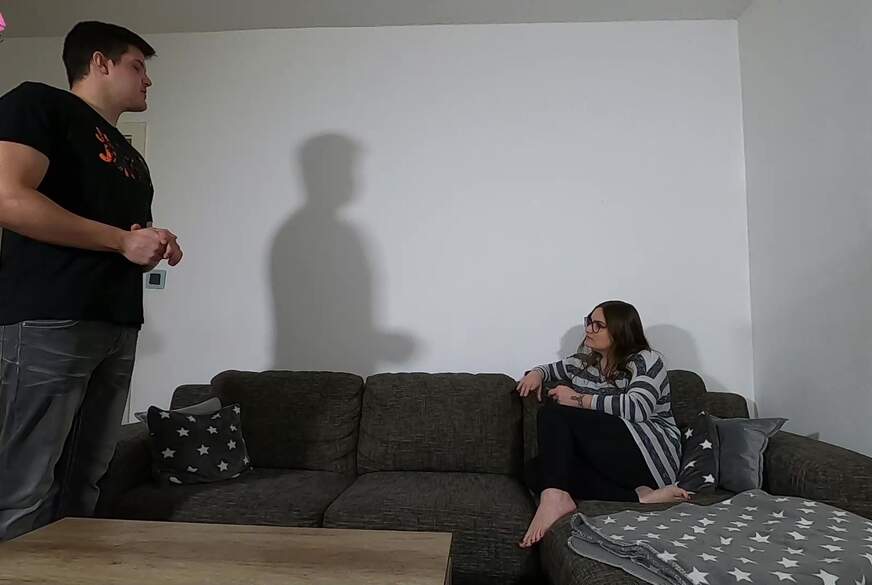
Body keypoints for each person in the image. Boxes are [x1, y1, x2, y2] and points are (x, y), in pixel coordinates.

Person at [0, 21, 182, 540]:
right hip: (49, 318)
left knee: (86, 482)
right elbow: (8, 198)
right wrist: (122, 241)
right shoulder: (39, 104)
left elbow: (123, 241)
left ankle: (68, 572)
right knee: (24, 483)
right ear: (100, 62)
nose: (147, 80)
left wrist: (149, 246)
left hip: (117, 324)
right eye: (137, 66)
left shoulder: (132, 158)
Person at [516, 300, 688, 548]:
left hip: (651, 457)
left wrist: (577, 399)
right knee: (534, 470)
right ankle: (639, 498)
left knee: (554, 414)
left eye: (598, 325)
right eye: (589, 322)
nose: (588, 329)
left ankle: (555, 498)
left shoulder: (646, 360)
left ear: (619, 330)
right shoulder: (583, 363)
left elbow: (637, 408)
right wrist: (536, 374)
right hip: (613, 463)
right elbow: (549, 370)